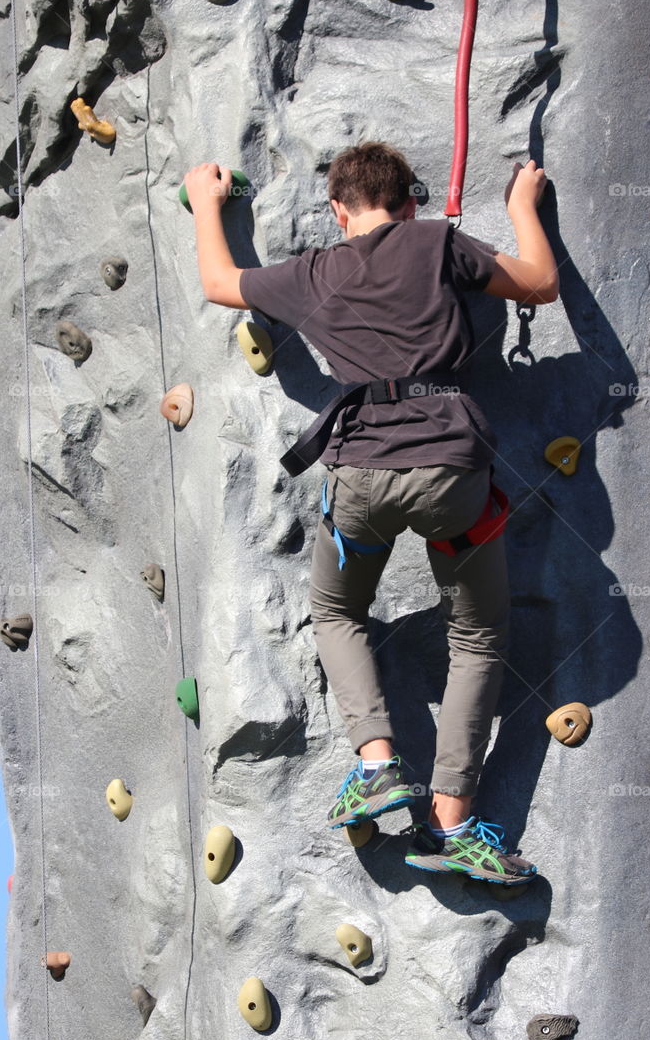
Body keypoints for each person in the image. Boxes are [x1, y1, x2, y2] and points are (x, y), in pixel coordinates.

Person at [184, 142, 558, 888]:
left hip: (359, 475)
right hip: (451, 472)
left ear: (337, 211)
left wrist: (205, 203)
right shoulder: (436, 242)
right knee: (478, 634)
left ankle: (377, 764)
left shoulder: (315, 273)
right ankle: (452, 824)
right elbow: (540, 284)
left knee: (335, 610)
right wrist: (521, 206)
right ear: (409, 203)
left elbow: (220, 282)